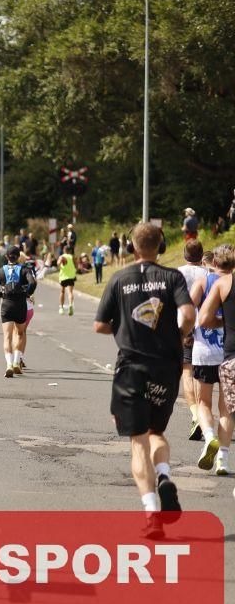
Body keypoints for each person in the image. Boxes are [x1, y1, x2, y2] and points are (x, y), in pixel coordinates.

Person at [94, 222, 193, 538]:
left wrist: (124, 327)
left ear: (131, 248)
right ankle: (164, 476)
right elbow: (189, 314)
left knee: (138, 441)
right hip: (166, 367)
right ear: (160, 247)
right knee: (157, 432)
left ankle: (151, 514)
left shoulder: (119, 278)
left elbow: (100, 325)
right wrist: (179, 335)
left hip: (131, 369)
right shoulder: (173, 277)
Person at [189, 245, 232, 475]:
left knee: (203, 402)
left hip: (204, 350)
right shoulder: (231, 283)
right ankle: (223, 459)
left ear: (214, 261)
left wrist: (185, 333)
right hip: (228, 352)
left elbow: (188, 309)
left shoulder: (204, 282)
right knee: (226, 409)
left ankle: (209, 437)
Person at [177, 239, 208, 440]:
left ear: (184, 255)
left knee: (187, 372)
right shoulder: (209, 274)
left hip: (183, 327)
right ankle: (204, 414)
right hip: (206, 328)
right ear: (201, 255)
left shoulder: (177, 273)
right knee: (202, 375)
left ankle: (196, 414)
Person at [0, 246, 37, 377]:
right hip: (20, 305)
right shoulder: (24, 269)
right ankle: (17, 362)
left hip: (7, 305)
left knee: (7, 336)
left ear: (6, 257)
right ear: (18, 256)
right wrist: (27, 293)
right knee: (20, 334)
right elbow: (33, 283)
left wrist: (3, 295)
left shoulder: (1, 271)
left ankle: (9, 364)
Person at [57, 245, 77, 316]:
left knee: (62, 292)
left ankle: (61, 308)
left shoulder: (62, 257)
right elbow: (76, 265)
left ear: (64, 250)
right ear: (70, 251)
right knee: (70, 292)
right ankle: (70, 304)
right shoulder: (72, 257)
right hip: (71, 276)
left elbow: (58, 263)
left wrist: (60, 265)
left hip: (63, 276)